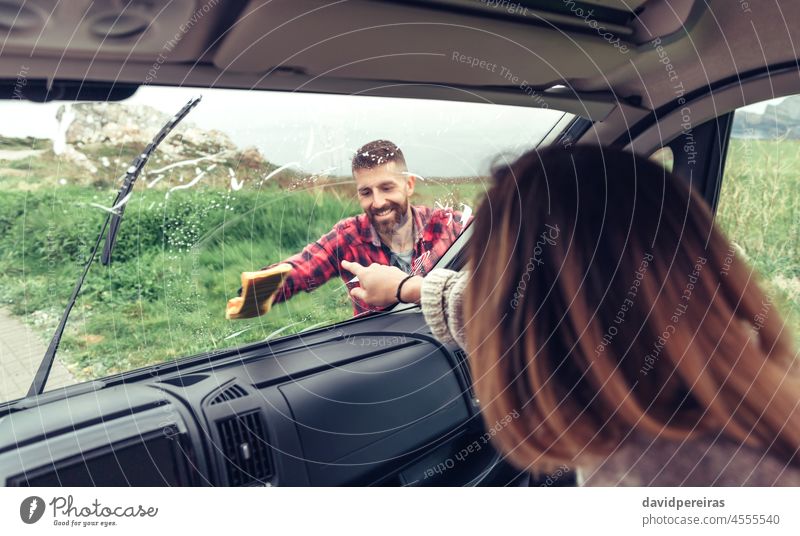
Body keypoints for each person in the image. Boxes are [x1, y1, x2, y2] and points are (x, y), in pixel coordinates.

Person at [343, 144, 800, 486]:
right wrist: (407, 286)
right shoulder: (755, 401)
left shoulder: (643, 475)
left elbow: (516, 313)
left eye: (490, 272)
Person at [258, 139, 471, 315]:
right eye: (366, 192)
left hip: (443, 344)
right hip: (377, 351)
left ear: (409, 185)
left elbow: (498, 252)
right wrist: (259, 288)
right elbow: (305, 266)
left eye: (387, 188)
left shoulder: (448, 225)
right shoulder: (348, 236)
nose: (377, 202)